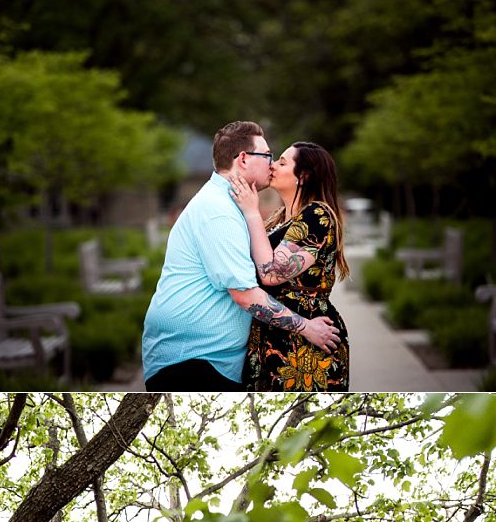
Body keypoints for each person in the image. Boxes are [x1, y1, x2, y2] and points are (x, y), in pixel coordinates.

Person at [141, 122, 341, 390]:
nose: (271, 164)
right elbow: (245, 293)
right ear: (244, 159)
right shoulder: (220, 211)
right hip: (194, 361)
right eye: (269, 156)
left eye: (278, 160)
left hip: (220, 359)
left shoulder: (233, 206)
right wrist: (305, 327)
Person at [230, 143, 350, 390]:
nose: (272, 165)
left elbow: (272, 274)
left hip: (307, 342)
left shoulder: (318, 215)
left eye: (282, 162)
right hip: (272, 334)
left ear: (303, 177)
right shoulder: (280, 218)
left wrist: (252, 213)